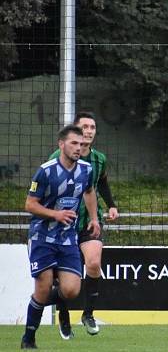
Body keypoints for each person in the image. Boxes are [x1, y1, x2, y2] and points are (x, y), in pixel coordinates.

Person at [21, 125, 100, 349]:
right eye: (74, 143)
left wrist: (94, 218)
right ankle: (29, 339)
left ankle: (37, 300)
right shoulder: (45, 171)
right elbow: (29, 204)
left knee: (71, 290)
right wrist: (55, 214)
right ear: (61, 145)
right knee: (44, 286)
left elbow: (89, 191)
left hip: (68, 239)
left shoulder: (86, 169)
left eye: (81, 144)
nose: (78, 148)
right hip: (42, 237)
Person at [50, 111, 119, 338]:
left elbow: (102, 182)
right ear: (76, 132)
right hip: (63, 224)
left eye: (92, 127)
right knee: (66, 279)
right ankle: (63, 315)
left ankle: (88, 314)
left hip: (90, 221)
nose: (89, 131)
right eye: (85, 127)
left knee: (93, 263)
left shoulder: (99, 159)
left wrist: (111, 205)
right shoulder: (57, 157)